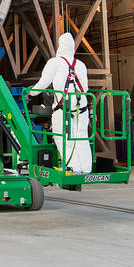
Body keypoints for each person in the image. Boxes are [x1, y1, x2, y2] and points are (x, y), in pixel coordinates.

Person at [29, 32, 92, 173]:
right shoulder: (81, 65)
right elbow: (85, 87)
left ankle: (72, 167)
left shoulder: (55, 62)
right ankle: (86, 168)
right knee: (81, 136)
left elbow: (43, 83)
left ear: (60, 46)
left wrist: (31, 92)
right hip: (82, 106)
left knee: (62, 137)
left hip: (63, 108)